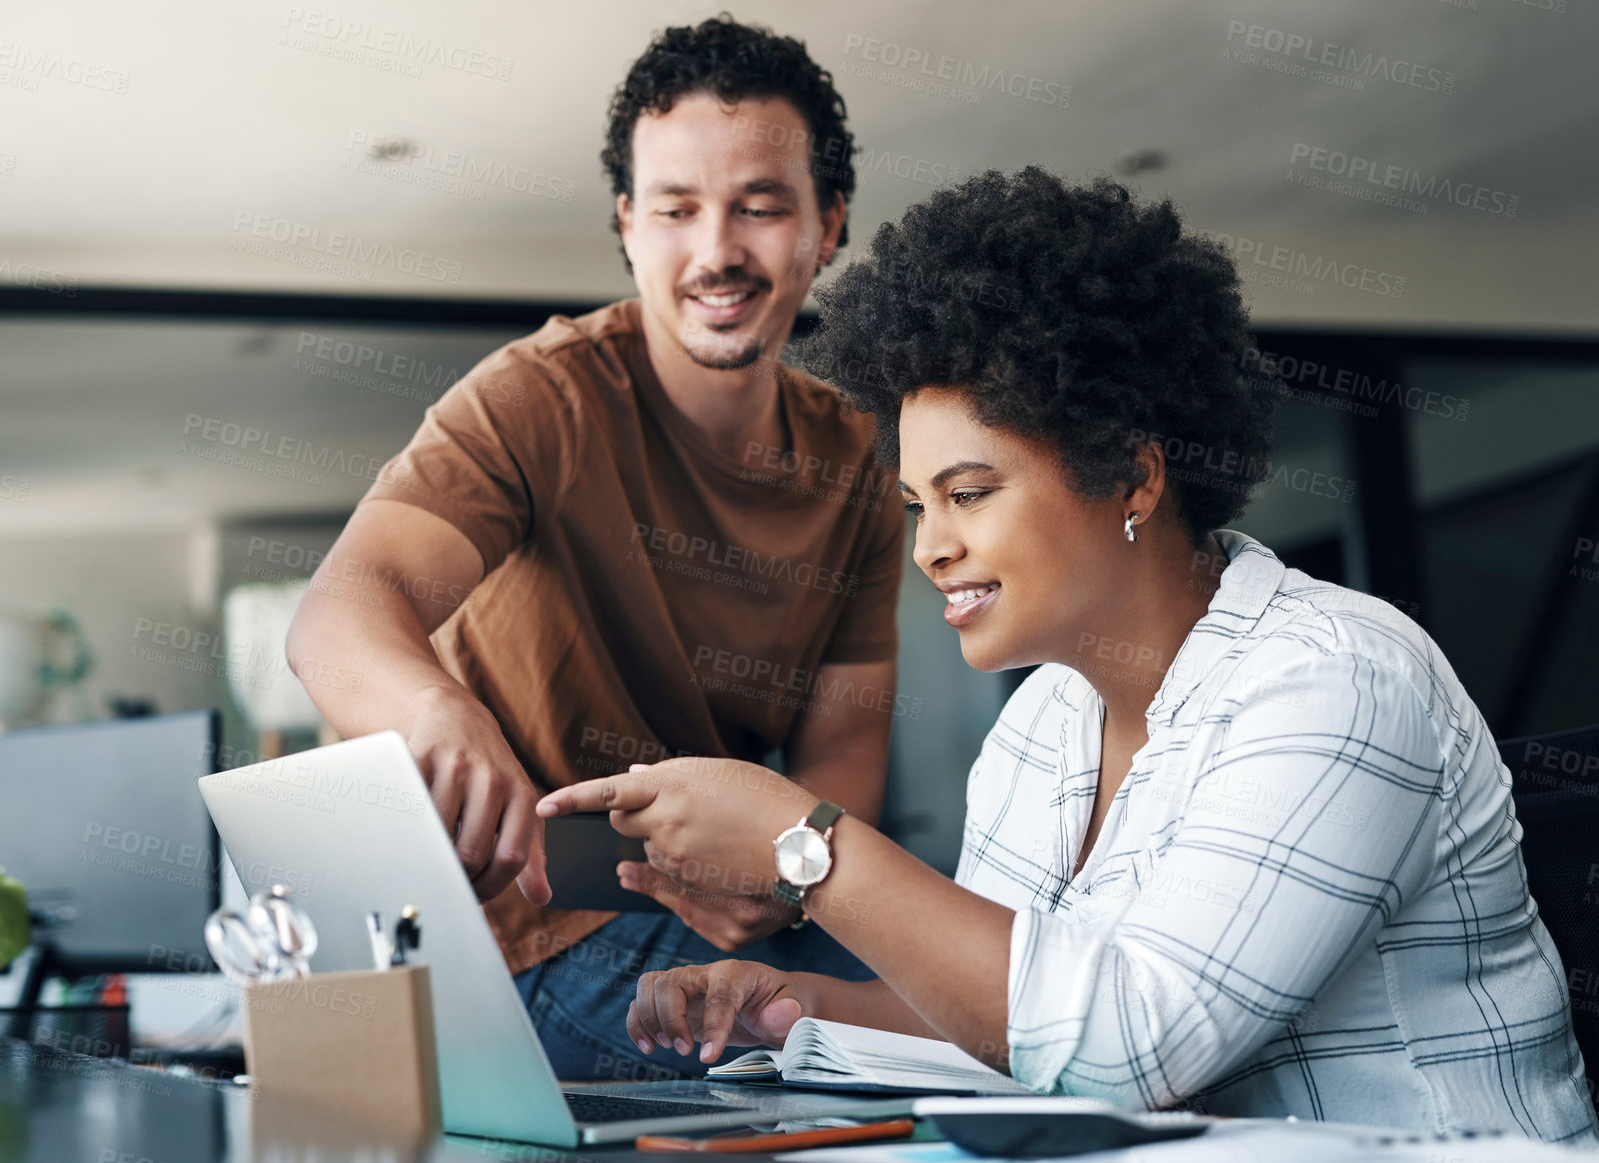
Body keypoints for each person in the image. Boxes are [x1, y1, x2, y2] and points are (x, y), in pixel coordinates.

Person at [537, 167, 1599, 1140]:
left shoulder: (1336, 677)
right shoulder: (1046, 721)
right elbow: (1017, 1030)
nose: (930, 545)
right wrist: (794, 1006)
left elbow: (1127, 1050)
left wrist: (798, 839)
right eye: (915, 504)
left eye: (968, 492)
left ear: (1132, 478)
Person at [286, 16, 903, 1080]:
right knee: (882, 1044)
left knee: (963, 991)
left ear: (825, 226)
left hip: (718, 909)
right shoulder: (542, 395)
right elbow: (337, 614)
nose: (716, 251)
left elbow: (841, 755)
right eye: (676, 210)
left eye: (759, 207)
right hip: (516, 928)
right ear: (628, 224)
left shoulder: (854, 459)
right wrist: (440, 710)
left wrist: (788, 876)